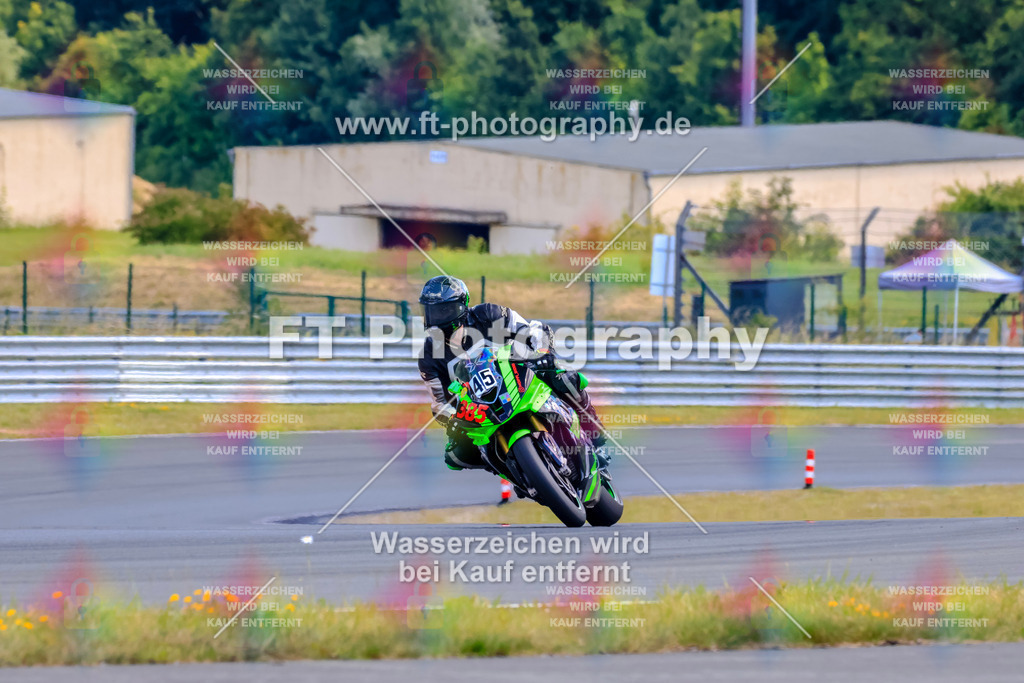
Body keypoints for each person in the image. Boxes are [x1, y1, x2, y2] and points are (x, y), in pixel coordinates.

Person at [416, 275, 606, 473]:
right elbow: (439, 402)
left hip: (519, 376)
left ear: (461, 306)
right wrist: (453, 418)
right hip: (480, 409)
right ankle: (514, 470)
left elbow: (532, 331)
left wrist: (541, 352)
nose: (436, 318)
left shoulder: (487, 314)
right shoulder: (428, 356)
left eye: (443, 310)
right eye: (430, 312)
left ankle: (594, 432)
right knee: (454, 456)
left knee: (564, 378)